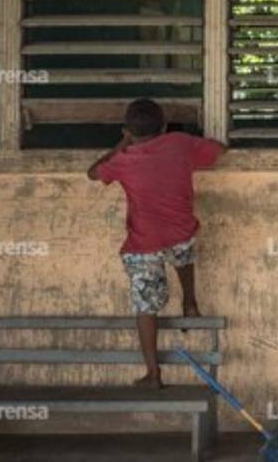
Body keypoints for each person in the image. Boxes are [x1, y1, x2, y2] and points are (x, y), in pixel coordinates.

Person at [87, 98, 226, 388]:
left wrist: (122, 144)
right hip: (180, 231)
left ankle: (153, 373)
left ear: (128, 130)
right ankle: (189, 300)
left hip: (144, 242)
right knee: (183, 252)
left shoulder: (123, 159)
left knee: (146, 306)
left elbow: (93, 173)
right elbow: (218, 150)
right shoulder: (179, 143)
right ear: (164, 126)